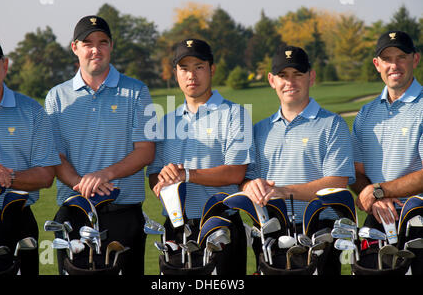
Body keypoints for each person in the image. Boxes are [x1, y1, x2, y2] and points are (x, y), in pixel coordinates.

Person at [45, 15, 156, 274]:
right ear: (75, 47)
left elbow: (146, 151)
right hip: (74, 212)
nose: (96, 49)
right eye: (88, 43)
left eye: (103, 42)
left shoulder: (139, 91)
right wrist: (82, 184)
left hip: (124, 214)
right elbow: (55, 156)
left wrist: (103, 175)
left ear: (111, 46)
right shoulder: (56, 97)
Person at [241, 45, 355, 275]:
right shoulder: (259, 130)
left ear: (311, 77)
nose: (290, 82)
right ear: (272, 80)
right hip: (270, 234)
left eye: (298, 74)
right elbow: (246, 181)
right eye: (283, 75)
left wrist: (284, 191)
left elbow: (336, 184)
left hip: (319, 234)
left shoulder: (332, 125)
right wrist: (249, 186)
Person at [147, 38, 254, 274]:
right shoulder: (165, 122)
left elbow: (236, 172)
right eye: (184, 68)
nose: (191, 75)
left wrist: (186, 175)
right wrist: (161, 182)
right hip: (176, 227)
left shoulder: (236, 114)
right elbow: (154, 174)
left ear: (212, 69)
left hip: (221, 223)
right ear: (175, 73)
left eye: (199, 67)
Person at [0, 33, 60, 274]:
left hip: (17, 220)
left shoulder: (32, 110)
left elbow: (45, 175)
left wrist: (4, 177)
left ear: (5, 65)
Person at [351, 30, 422, 227]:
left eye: (401, 57)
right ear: (377, 64)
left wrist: (379, 190)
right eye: (387, 59)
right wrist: (377, 196)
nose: (394, 65)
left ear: (415, 59)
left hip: (417, 216)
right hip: (378, 215)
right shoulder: (365, 114)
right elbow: (355, 172)